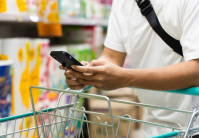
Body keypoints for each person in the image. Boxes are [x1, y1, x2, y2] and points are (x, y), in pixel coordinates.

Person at [59, 0, 199, 137]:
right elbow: (112, 56)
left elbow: (196, 70)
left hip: (194, 124)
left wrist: (126, 78)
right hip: (153, 124)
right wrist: (90, 72)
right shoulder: (122, 2)